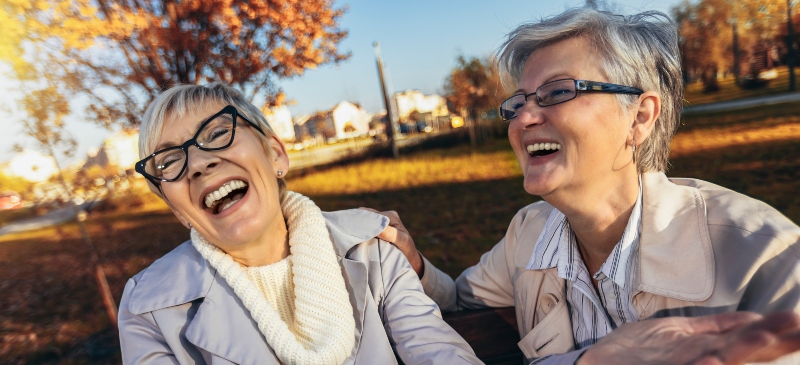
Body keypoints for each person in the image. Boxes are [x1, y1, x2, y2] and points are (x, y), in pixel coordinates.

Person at [373, 8, 800, 365]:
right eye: (519, 102)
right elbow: (461, 302)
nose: (523, 119)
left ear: (639, 117)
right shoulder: (528, 234)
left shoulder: (766, 257)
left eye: (557, 92)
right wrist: (417, 268)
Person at [117, 83, 481, 365]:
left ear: (275, 154)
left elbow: (437, 351)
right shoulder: (148, 309)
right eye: (168, 161)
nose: (197, 163)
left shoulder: (373, 250)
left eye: (217, 133)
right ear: (176, 209)